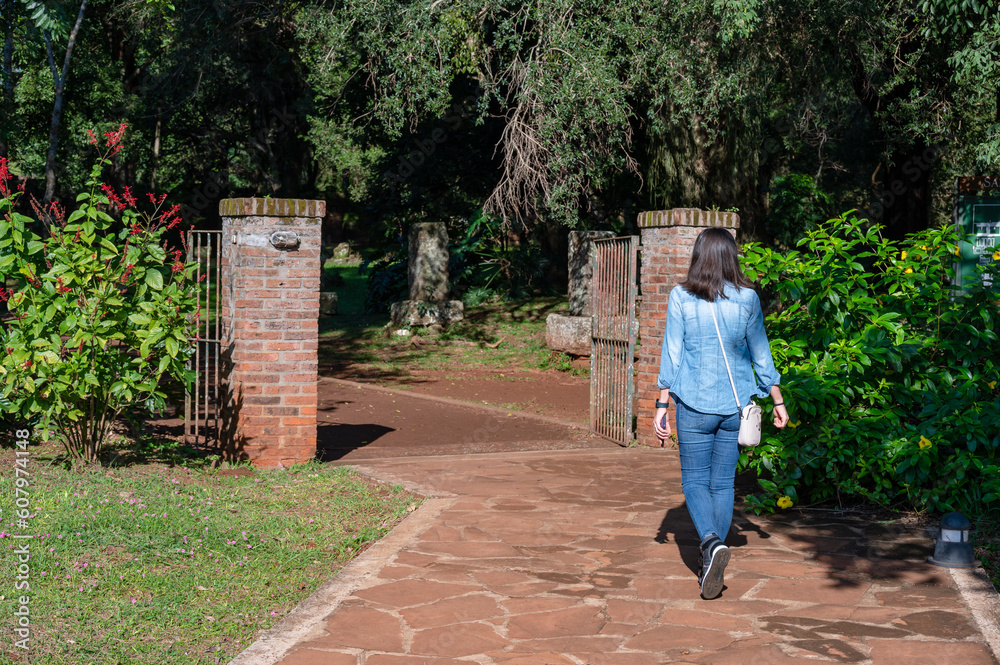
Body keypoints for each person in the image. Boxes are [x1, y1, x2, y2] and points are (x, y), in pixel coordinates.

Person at [652, 227, 789, 600]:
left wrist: (662, 406)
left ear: (699, 256)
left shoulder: (680, 296)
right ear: (732, 256)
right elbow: (761, 353)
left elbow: (673, 353)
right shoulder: (748, 299)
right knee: (723, 483)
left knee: (694, 482)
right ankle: (713, 553)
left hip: (694, 405)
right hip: (735, 406)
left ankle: (710, 544)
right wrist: (778, 401)